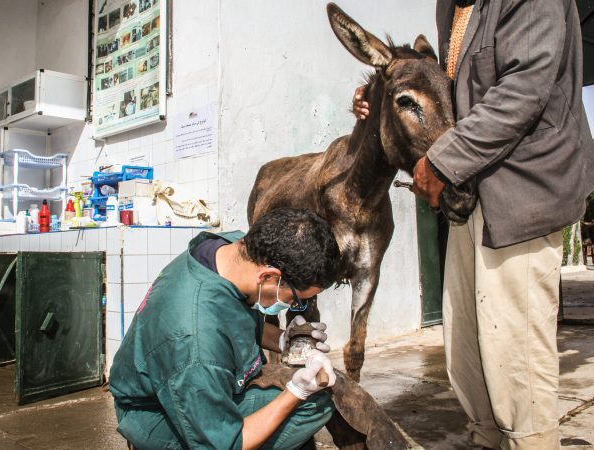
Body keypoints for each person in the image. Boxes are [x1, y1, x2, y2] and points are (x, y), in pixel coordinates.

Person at [353, 0, 594, 449]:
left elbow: (523, 89)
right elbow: (444, 85)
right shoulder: (451, 7)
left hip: (522, 192)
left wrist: (441, 161)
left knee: (513, 352)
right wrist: (374, 96)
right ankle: (487, 439)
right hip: (469, 192)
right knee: (467, 347)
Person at [110, 207, 342, 449]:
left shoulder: (235, 251)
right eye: (296, 298)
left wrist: (284, 340)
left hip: (191, 377)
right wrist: (297, 391)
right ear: (268, 277)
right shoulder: (195, 342)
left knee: (325, 393)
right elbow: (227, 445)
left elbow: (232, 314)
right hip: (155, 413)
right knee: (312, 403)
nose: (294, 306)